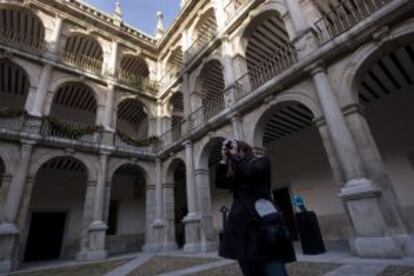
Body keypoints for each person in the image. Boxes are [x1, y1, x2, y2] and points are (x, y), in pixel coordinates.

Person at [215, 139, 296, 276]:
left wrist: (236, 155)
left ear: (244, 151)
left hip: (263, 226)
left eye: (236, 151)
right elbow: (220, 183)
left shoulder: (261, 162)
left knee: (274, 269)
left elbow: (252, 173)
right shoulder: (237, 175)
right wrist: (223, 160)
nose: (232, 155)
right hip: (241, 231)